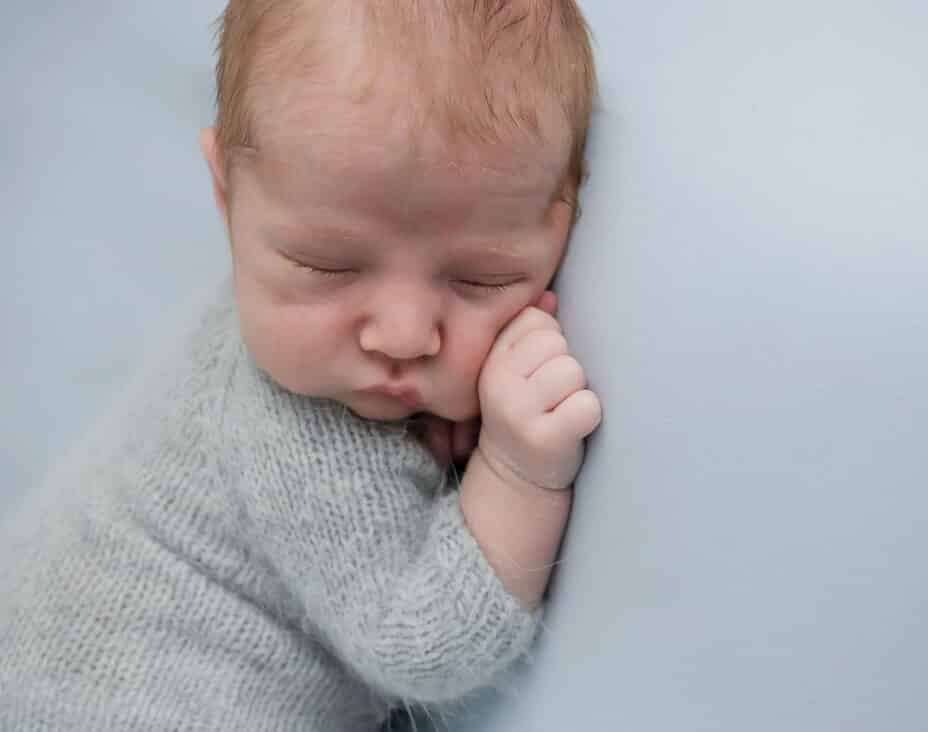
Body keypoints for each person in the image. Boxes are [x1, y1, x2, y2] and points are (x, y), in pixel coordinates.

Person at [0, 1, 599, 729]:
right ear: (227, 197)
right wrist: (516, 473)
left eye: (478, 277)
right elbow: (422, 650)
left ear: (563, 221)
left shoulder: (300, 330)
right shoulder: (290, 427)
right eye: (327, 266)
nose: (403, 336)